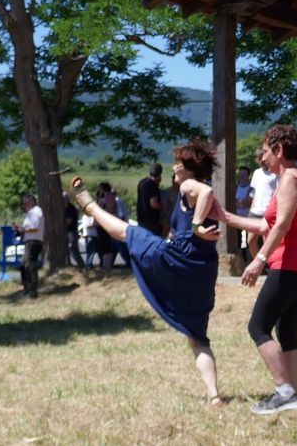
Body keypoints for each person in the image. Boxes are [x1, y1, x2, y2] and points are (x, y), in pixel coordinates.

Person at [72, 140, 227, 405]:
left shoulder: (190, 185)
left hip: (181, 263)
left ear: (190, 168)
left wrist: (198, 225)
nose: (174, 167)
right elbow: (200, 221)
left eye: (178, 162)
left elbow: (205, 194)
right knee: (197, 338)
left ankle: (90, 208)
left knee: (129, 232)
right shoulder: (186, 194)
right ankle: (214, 396)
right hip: (202, 273)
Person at [222, 125, 297, 415]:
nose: (261, 158)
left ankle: (284, 390)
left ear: (278, 151)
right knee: (287, 330)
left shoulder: (290, 179)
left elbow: (280, 226)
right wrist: (227, 217)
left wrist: (259, 259)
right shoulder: (288, 179)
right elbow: (265, 225)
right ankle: (292, 395)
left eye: (264, 151)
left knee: (258, 326)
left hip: (289, 265)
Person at [247, 153, 279, 259]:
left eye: (262, 158)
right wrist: (251, 209)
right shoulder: (256, 173)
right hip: (255, 211)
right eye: (258, 158)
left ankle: (269, 265)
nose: (261, 160)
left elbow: (277, 192)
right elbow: (255, 193)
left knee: (267, 242)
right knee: (250, 241)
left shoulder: (274, 174)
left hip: (268, 211)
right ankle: (259, 263)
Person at [19, 194, 44, 298]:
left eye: (25, 202)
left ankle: (32, 291)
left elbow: (35, 228)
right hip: (30, 241)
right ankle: (28, 289)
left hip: (34, 241)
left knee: (29, 266)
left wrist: (23, 229)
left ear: (30, 202)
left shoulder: (36, 212)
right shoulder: (31, 213)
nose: (24, 205)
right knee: (25, 266)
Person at [136, 163, 165, 237]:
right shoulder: (152, 185)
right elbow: (154, 204)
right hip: (151, 221)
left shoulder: (142, 182)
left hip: (141, 218)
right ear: (159, 175)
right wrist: (164, 206)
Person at [63, 192, 85, 269]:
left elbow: (69, 221)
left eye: (64, 198)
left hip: (72, 232)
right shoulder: (62, 208)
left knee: (73, 249)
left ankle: (82, 266)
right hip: (66, 232)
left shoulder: (71, 208)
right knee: (67, 251)